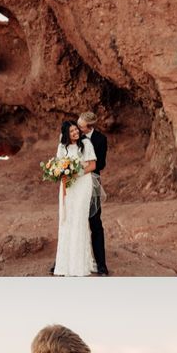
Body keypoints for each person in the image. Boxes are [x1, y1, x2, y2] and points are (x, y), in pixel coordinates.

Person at [53, 120, 101, 276]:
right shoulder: (62, 147)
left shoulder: (86, 144)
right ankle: (65, 264)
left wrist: (76, 173)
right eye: (72, 131)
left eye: (76, 130)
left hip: (83, 184)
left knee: (79, 220)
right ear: (66, 134)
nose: (75, 133)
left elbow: (92, 165)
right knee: (67, 220)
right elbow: (59, 167)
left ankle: (80, 264)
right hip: (68, 186)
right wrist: (64, 179)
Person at [78, 111, 108, 276]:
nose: (78, 127)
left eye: (81, 126)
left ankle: (101, 264)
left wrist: (82, 167)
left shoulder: (100, 139)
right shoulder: (75, 135)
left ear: (89, 127)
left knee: (95, 222)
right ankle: (68, 260)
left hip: (92, 182)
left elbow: (101, 163)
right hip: (75, 184)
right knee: (75, 221)